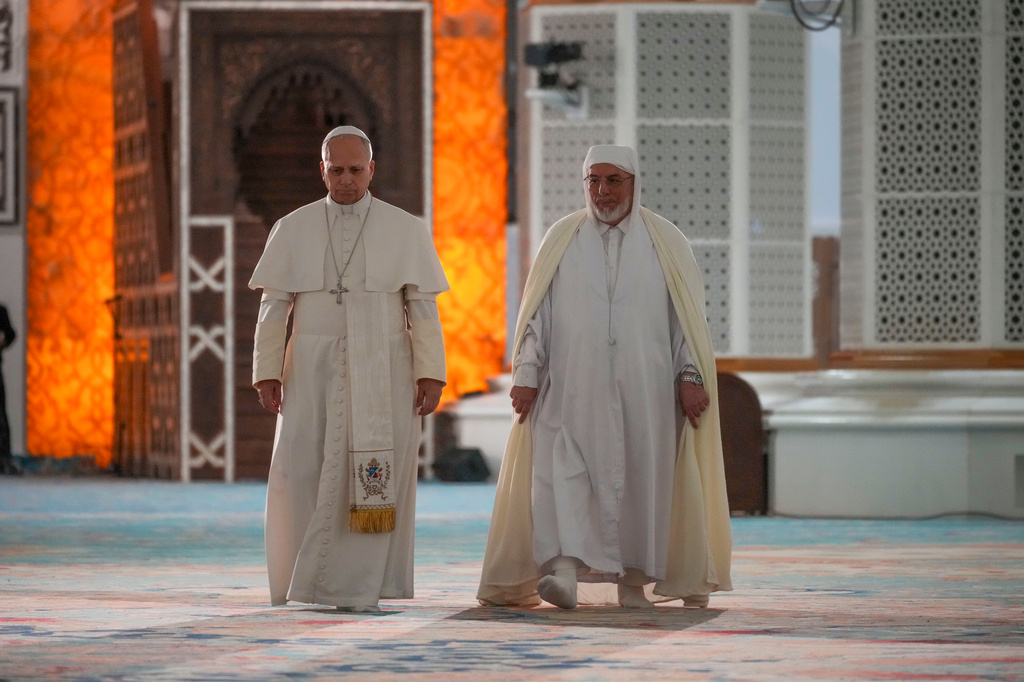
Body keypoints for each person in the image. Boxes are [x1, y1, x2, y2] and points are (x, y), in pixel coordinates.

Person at [477, 145, 732, 609]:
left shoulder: (666, 241)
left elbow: (686, 320)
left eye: (613, 180)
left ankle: (632, 584)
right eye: (594, 180)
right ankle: (564, 571)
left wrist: (690, 375)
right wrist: (527, 373)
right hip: (571, 387)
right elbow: (537, 315)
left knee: (638, 482)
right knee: (563, 474)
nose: (603, 191)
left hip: (646, 391)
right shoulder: (562, 237)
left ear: (634, 183)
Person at [249, 125, 449, 613]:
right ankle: (306, 580)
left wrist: (431, 372)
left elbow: (422, 308)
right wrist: (266, 371)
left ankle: (359, 584)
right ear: (321, 170)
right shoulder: (291, 228)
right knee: (303, 471)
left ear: (371, 169)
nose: (345, 180)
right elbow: (274, 307)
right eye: (335, 170)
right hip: (310, 366)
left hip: (382, 364)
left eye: (355, 170)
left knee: (371, 474)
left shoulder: (404, 229)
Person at [0, 303, 16, 475]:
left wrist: (2, 344)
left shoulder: (1, 310)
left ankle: (4, 458)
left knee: (1, 416)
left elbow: (11, 334)